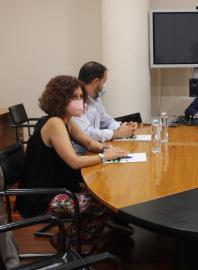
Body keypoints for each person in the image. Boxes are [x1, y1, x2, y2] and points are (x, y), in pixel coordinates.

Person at [15, 75, 129, 248]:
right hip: (41, 198)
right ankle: (66, 241)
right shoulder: (54, 123)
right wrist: (104, 157)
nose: (80, 101)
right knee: (103, 202)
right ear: (60, 99)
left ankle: (79, 237)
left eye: (80, 96)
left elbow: (89, 142)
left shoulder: (66, 120)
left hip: (57, 189)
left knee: (104, 196)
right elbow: (74, 162)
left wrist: (107, 150)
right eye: (73, 97)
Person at [72, 61, 136, 154]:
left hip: (94, 149)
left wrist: (123, 127)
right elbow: (87, 134)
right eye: (104, 82)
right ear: (96, 82)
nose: (104, 86)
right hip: (81, 155)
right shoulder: (75, 102)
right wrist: (117, 134)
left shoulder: (95, 97)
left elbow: (106, 120)